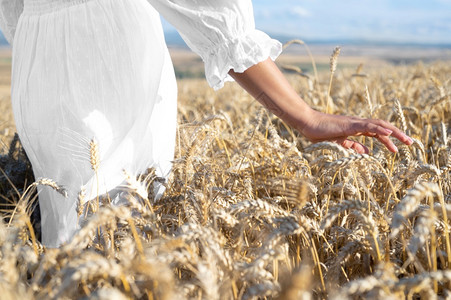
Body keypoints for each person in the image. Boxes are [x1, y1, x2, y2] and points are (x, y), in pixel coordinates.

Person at [0, 0, 412, 247]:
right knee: (116, 238)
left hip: (40, 62)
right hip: (106, 61)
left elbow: (14, 13)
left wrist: (36, 52)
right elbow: (212, 13)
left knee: (74, 238)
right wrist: (303, 115)